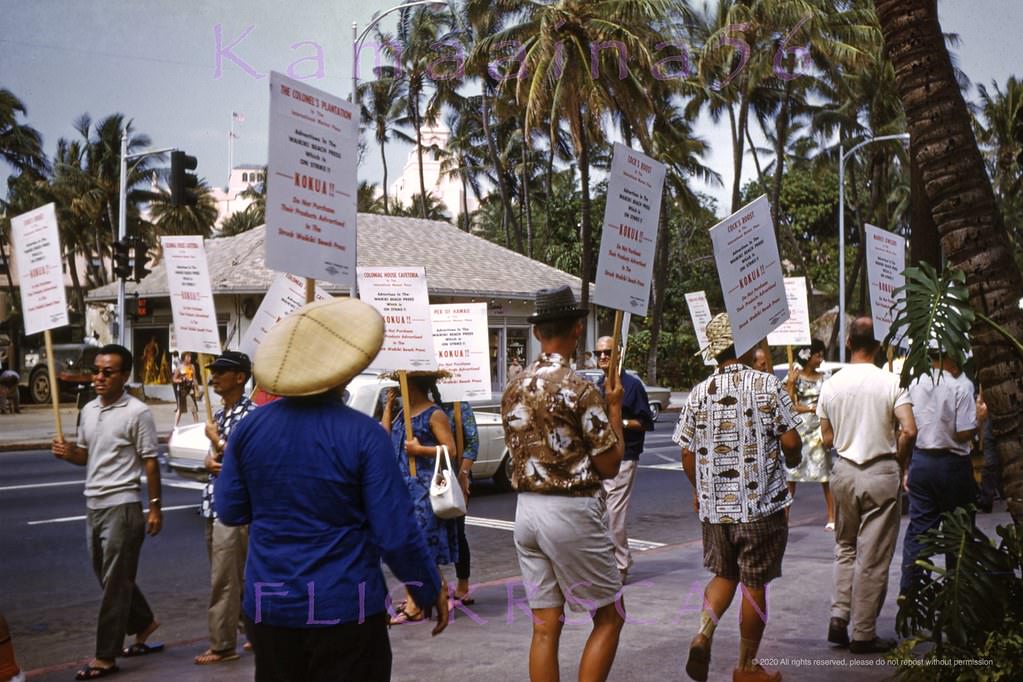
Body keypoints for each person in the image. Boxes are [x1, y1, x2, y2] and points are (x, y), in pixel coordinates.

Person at [215, 298, 447, 682]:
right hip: (345, 607)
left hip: (269, 608)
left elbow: (230, 510)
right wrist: (426, 587)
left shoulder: (248, 430)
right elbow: (396, 534)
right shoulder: (365, 435)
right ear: (344, 373)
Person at [501, 285, 626, 682]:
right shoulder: (579, 389)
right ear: (577, 329)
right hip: (570, 510)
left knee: (544, 625)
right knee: (609, 616)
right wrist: (616, 408)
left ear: (538, 333)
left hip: (526, 513)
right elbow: (610, 464)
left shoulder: (513, 388)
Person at [674, 313, 802, 682]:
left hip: (715, 510)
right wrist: (792, 458)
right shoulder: (766, 384)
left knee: (723, 574)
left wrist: (700, 490)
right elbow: (791, 443)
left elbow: (687, 452)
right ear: (744, 345)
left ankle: (703, 634)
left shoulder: (699, 392)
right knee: (754, 584)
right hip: (760, 508)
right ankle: (746, 667)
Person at [51, 344, 164, 681]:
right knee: (106, 574)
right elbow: (86, 455)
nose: (98, 377)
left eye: (107, 372)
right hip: (94, 504)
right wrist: (68, 453)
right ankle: (144, 622)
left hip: (123, 506)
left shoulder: (137, 412)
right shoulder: (87, 410)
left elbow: (150, 462)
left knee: (115, 584)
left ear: (124, 376)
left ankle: (105, 656)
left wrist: (155, 508)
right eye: (96, 371)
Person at [817, 317, 916, 654]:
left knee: (845, 547)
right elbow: (910, 429)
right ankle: (863, 632)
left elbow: (826, 437)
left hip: (844, 472)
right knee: (873, 557)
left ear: (848, 343)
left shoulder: (831, 385)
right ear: (879, 346)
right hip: (881, 472)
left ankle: (838, 616)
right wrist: (899, 460)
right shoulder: (892, 382)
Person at [380, 370, 459, 624]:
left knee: (421, 545)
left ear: (412, 387)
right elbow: (385, 435)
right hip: (403, 486)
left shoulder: (434, 413)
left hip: (424, 488)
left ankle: (418, 602)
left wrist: (420, 449)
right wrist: (389, 406)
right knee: (410, 544)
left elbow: (451, 449)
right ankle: (435, 592)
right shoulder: (405, 413)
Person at [898, 347, 976, 596]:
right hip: (953, 464)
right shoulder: (961, 385)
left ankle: (910, 590)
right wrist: (981, 418)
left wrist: (904, 464)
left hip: (922, 461)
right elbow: (963, 432)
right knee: (958, 532)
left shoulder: (916, 381)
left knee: (920, 529)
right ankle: (957, 594)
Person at [195, 351, 256, 665]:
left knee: (226, 579)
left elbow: (247, 460)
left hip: (234, 508)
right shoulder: (218, 416)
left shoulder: (251, 415)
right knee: (233, 575)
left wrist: (218, 442)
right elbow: (216, 462)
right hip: (213, 502)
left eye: (222, 371)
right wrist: (209, 459)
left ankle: (222, 645)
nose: (214, 377)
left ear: (240, 378)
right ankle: (255, 633)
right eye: (213, 371)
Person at [593, 335, 654, 584]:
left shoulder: (631, 384)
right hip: (599, 457)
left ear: (618, 354)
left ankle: (620, 563)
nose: (603, 357)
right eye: (598, 354)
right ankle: (608, 561)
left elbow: (645, 422)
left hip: (625, 456)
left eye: (608, 352)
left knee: (614, 514)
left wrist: (620, 420)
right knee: (597, 514)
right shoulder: (598, 385)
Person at [785, 339, 836, 530]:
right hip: (800, 429)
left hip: (819, 428)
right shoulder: (794, 377)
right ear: (808, 357)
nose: (821, 359)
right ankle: (785, 516)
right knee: (792, 474)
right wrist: (791, 384)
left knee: (825, 474)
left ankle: (832, 516)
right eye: (818, 355)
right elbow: (789, 405)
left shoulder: (826, 377)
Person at [442, 400, 479, 604]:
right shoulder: (420, 405)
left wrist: (463, 474)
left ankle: (462, 585)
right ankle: (439, 585)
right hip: (429, 478)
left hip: (456, 476)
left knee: (457, 531)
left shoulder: (460, 406)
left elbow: (473, 442)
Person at [173, 352, 199, 426]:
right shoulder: (179, 367)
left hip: (190, 389)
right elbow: (174, 379)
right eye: (188, 357)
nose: (189, 358)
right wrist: (181, 380)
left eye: (190, 357)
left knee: (194, 408)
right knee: (180, 409)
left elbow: (194, 378)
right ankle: (175, 426)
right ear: (184, 358)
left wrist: (197, 389)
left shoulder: (192, 367)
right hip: (182, 390)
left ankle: (196, 425)